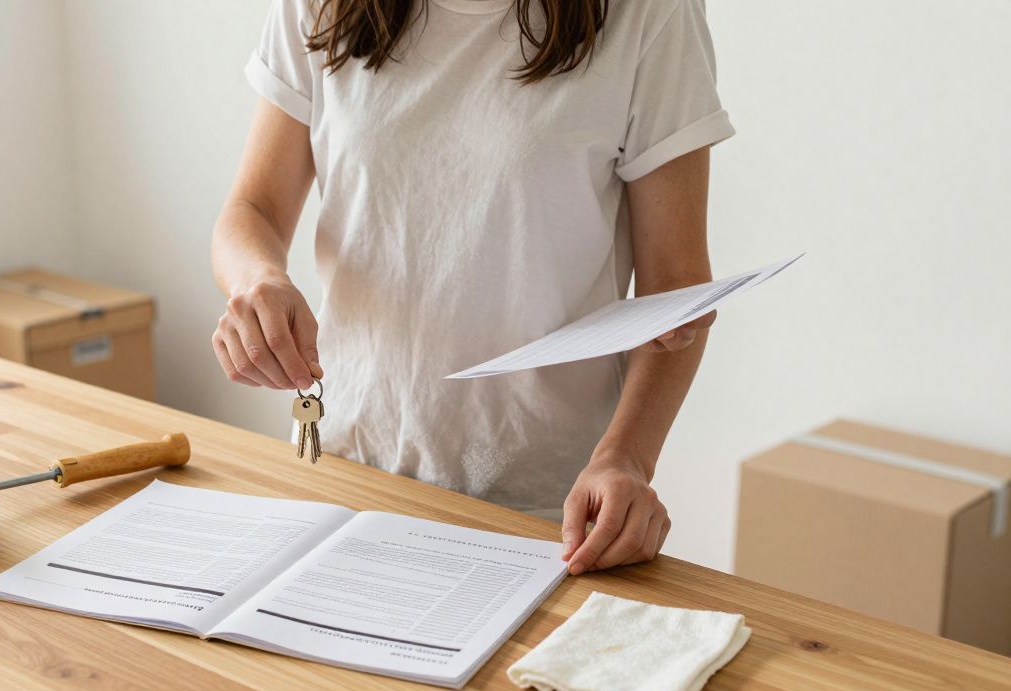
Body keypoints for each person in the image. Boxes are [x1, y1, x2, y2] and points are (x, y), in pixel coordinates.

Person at [211, 0, 732, 575]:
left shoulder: (649, 14)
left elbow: (676, 285)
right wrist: (257, 280)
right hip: (344, 469)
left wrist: (626, 460)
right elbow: (252, 209)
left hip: (543, 509)